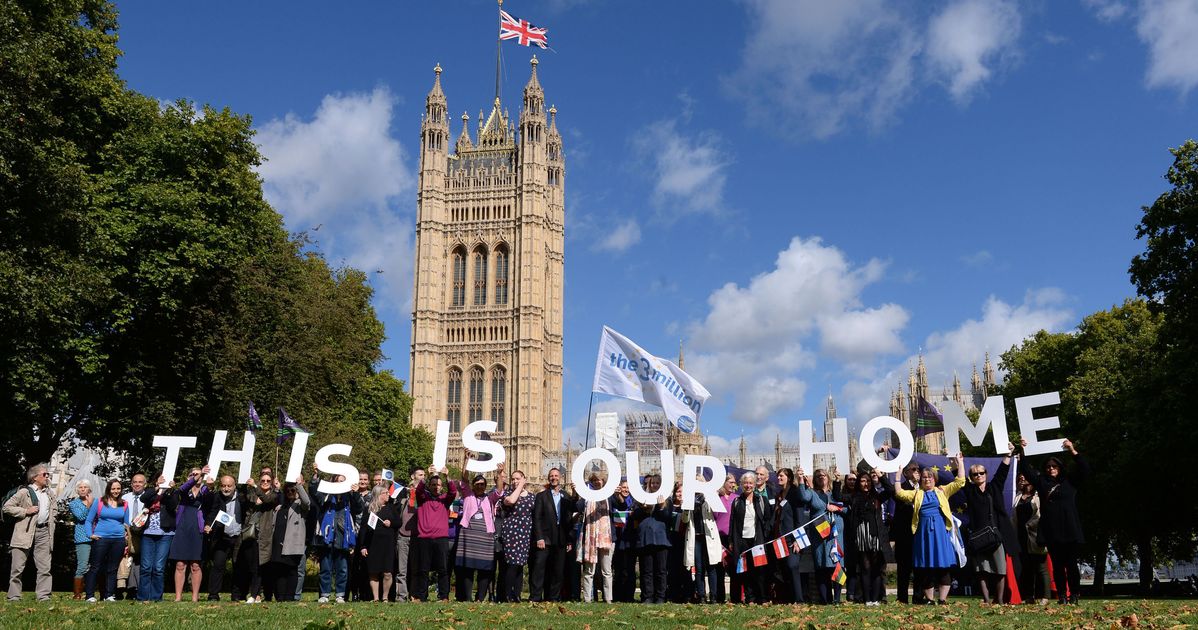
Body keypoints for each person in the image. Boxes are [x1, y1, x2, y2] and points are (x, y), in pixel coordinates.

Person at [887, 453, 967, 605]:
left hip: (941, 534)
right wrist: (897, 475)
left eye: (930, 476)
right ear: (921, 479)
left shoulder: (942, 491)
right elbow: (899, 493)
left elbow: (960, 481)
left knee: (943, 566)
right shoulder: (917, 494)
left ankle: (942, 599)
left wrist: (960, 463)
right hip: (923, 535)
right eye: (924, 477)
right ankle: (930, 599)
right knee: (926, 568)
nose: (927, 479)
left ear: (934, 479)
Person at [1020, 437, 1088, 605]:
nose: (1051, 469)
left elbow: (1085, 469)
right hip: (1052, 530)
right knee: (1057, 566)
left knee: (1072, 565)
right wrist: (1022, 450)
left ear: (1060, 467)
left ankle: (1074, 595)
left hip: (1070, 528)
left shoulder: (1070, 481)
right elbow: (1026, 470)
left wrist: (1072, 450)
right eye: (1048, 467)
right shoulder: (1042, 482)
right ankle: (1062, 596)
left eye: (1054, 466)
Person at [961, 443, 1019, 605]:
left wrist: (1009, 454)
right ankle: (986, 599)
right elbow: (957, 477)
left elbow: (1002, 472)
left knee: (1000, 569)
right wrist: (957, 461)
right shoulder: (970, 491)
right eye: (975, 474)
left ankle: (999, 599)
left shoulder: (994, 487)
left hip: (995, 535)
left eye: (981, 473)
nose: (978, 475)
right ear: (971, 478)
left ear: (986, 474)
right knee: (981, 570)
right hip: (978, 536)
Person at [454, 460, 506, 601]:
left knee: (485, 568)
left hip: (485, 535)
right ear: (473, 486)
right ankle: (467, 598)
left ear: (485, 486)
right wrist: (465, 460)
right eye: (477, 484)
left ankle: (480, 597)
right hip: (468, 535)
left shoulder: (490, 498)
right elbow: (464, 478)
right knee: (468, 568)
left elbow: (499, 490)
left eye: (482, 484)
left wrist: (500, 474)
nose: (480, 486)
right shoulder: (468, 495)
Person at [311, 469, 364, 604]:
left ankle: (340, 595)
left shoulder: (350, 496)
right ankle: (324, 594)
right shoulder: (326, 495)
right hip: (327, 535)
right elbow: (315, 494)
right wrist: (315, 477)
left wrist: (356, 492)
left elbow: (359, 508)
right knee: (326, 567)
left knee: (342, 568)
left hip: (343, 536)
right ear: (333, 482)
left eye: (343, 481)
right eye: (338, 481)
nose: (340, 483)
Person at [4, 464, 55, 602]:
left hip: (44, 532)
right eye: (44, 474)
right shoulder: (24, 492)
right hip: (24, 532)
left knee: (45, 567)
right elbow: (7, 507)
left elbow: (53, 510)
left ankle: (43, 596)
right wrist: (25, 511)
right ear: (34, 477)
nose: (47, 477)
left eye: (47, 474)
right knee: (18, 567)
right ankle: (14, 596)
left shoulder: (49, 493)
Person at [796, 468, 844, 604]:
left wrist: (836, 508)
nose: (821, 477)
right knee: (822, 566)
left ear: (828, 477)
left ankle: (837, 599)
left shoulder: (835, 493)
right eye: (817, 476)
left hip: (836, 536)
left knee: (837, 566)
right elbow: (803, 497)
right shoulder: (812, 493)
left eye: (823, 475)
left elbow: (846, 507)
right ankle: (825, 599)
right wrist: (800, 480)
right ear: (814, 480)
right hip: (820, 537)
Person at [259, 476, 310, 601]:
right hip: (278, 543)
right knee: (279, 571)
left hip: (293, 544)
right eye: (288, 491)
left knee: (292, 571)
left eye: (293, 491)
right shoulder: (280, 507)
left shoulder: (300, 506)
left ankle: (290, 597)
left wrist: (299, 485)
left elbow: (307, 501)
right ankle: (280, 597)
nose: (290, 493)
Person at [411, 466, 456, 601]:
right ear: (429, 486)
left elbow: (453, 492)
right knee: (423, 569)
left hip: (441, 538)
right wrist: (426, 477)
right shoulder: (423, 498)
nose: (436, 487)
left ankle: (443, 596)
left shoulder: (445, 500)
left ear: (442, 487)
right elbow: (418, 490)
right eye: (433, 485)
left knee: (442, 569)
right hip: (424, 538)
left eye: (438, 485)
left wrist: (447, 477)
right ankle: (422, 596)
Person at [847, 470, 891, 606]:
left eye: (868, 481)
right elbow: (837, 496)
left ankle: (876, 598)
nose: (865, 483)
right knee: (865, 567)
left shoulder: (877, 497)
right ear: (859, 483)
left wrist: (881, 476)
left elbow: (890, 490)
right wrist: (837, 480)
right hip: (861, 535)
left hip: (876, 535)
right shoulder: (854, 497)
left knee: (877, 567)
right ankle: (867, 599)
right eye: (862, 481)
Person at [168, 466, 210, 602]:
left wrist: (209, 484)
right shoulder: (184, 491)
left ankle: (194, 598)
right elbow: (182, 489)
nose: (195, 477)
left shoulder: (206, 491)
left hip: (197, 529)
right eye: (192, 475)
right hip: (182, 528)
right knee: (180, 564)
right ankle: (178, 597)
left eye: (198, 475)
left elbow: (212, 502)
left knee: (196, 565)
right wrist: (197, 476)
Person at [83, 478, 128, 602]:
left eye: (118, 488)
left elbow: (126, 523)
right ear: (109, 489)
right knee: (95, 567)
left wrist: (126, 535)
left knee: (113, 568)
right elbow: (88, 520)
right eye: (113, 488)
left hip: (118, 540)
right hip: (101, 539)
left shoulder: (124, 504)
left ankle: (109, 595)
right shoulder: (99, 502)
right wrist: (90, 534)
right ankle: (90, 595)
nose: (116, 491)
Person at [531, 467, 572, 602]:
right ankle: (536, 597)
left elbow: (569, 518)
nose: (554, 478)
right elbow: (537, 518)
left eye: (556, 475)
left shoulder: (566, 496)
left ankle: (553, 597)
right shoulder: (541, 496)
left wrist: (569, 540)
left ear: (560, 477)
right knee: (539, 568)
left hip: (561, 538)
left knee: (558, 570)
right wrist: (539, 537)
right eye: (551, 476)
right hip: (545, 538)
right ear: (548, 478)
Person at [134, 473, 177, 603]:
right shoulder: (151, 492)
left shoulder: (172, 492)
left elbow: (172, 505)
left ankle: (156, 597)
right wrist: (157, 487)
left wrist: (169, 491)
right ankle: (142, 597)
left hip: (165, 534)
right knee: (146, 567)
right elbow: (144, 499)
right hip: (148, 533)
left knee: (158, 567)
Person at [202, 475, 245, 601]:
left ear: (234, 486)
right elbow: (212, 511)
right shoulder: (217, 496)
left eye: (229, 486)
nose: (226, 489)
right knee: (218, 565)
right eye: (223, 486)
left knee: (239, 566)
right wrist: (208, 524)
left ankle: (237, 595)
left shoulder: (242, 498)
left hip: (238, 536)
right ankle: (213, 595)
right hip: (222, 536)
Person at [683, 472, 722, 604]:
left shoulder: (710, 497)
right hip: (696, 538)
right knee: (699, 569)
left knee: (711, 568)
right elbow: (684, 519)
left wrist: (709, 497)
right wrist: (686, 508)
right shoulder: (689, 498)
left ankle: (714, 596)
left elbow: (716, 514)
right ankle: (702, 596)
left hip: (708, 536)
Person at [729, 471, 767, 604]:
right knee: (746, 571)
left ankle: (762, 598)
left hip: (757, 540)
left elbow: (767, 520)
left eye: (750, 483)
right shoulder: (737, 501)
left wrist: (765, 537)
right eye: (745, 483)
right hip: (742, 540)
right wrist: (731, 541)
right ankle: (750, 598)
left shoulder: (761, 500)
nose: (748, 485)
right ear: (741, 485)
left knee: (760, 570)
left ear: (754, 485)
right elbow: (732, 522)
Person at [238, 471, 276, 603]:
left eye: (268, 481)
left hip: (264, 536)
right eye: (262, 481)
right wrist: (248, 487)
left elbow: (267, 500)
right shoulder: (253, 493)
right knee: (250, 565)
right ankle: (253, 593)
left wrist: (255, 487)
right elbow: (245, 499)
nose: (265, 483)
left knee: (261, 566)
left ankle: (255, 595)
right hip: (251, 534)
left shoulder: (273, 494)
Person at [576, 472, 614, 603]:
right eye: (595, 480)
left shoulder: (610, 495)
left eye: (600, 480)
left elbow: (621, 506)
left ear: (604, 481)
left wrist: (619, 495)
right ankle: (587, 599)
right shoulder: (587, 496)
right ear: (591, 482)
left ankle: (608, 599)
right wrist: (579, 495)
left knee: (606, 571)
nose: (597, 482)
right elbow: (578, 507)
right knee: (589, 570)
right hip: (590, 536)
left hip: (606, 537)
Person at [1013, 472, 1049, 605]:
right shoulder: (1018, 496)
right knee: (1026, 567)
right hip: (1021, 536)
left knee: (1040, 566)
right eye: (1020, 477)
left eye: (1025, 476)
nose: (1022, 478)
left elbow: (1041, 514)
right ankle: (1029, 596)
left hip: (1036, 534)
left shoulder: (1039, 495)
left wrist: (1031, 525)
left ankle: (1045, 596)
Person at [358, 485, 400, 601]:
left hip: (388, 545)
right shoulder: (369, 509)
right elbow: (364, 529)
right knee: (374, 572)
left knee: (388, 573)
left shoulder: (391, 508)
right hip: (373, 545)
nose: (388, 495)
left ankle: (385, 597)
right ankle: (376, 598)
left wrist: (390, 523)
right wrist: (363, 546)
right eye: (385, 493)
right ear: (378, 495)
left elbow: (399, 522)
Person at [772, 468, 807, 604]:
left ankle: (799, 599)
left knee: (793, 566)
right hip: (780, 537)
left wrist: (798, 540)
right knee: (785, 568)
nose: (779, 478)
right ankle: (790, 598)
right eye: (778, 476)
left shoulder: (795, 493)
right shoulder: (779, 495)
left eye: (781, 476)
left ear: (789, 478)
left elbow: (799, 518)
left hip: (793, 538)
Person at [498, 469, 534, 602]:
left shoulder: (531, 497)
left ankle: (517, 595)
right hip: (511, 532)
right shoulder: (507, 494)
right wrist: (520, 484)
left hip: (525, 533)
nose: (514, 481)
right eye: (513, 479)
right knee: (512, 564)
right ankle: (507, 594)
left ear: (523, 478)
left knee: (520, 564)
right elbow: (512, 501)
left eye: (517, 478)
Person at [634, 474, 669, 604]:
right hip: (645, 539)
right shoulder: (641, 499)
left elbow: (667, 516)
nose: (654, 485)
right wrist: (643, 508)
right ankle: (647, 597)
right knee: (646, 571)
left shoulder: (666, 500)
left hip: (661, 540)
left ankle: (660, 597)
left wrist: (660, 506)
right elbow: (634, 516)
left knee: (661, 571)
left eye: (657, 483)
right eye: (652, 483)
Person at [890, 459, 921, 604]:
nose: (917, 472)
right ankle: (902, 598)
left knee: (919, 567)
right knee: (904, 568)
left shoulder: (925, 488)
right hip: (904, 535)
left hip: (920, 534)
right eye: (914, 469)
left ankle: (918, 597)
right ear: (906, 473)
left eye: (918, 469)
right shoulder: (900, 487)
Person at [393, 467, 424, 602]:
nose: (423, 477)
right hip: (403, 534)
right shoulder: (403, 492)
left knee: (417, 569)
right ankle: (401, 596)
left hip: (419, 535)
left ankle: (415, 595)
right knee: (402, 569)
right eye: (420, 474)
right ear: (413, 476)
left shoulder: (425, 493)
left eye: (424, 475)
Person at [121, 473, 150, 600]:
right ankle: (127, 588)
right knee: (127, 560)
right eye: (135, 482)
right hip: (127, 531)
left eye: (140, 482)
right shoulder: (125, 497)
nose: (137, 484)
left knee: (139, 561)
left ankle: (138, 588)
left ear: (145, 484)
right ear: (131, 484)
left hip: (143, 531)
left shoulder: (148, 497)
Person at [608, 479, 638, 602]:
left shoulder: (635, 501)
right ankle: (617, 595)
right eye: (623, 487)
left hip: (630, 539)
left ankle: (628, 596)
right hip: (617, 539)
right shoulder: (613, 499)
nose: (625, 490)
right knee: (618, 569)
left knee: (630, 569)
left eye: (627, 487)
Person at [663, 481, 690, 602]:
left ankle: (685, 594)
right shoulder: (669, 505)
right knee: (672, 569)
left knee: (684, 569)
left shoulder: (688, 506)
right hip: (671, 541)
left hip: (684, 542)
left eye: (683, 492)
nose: (680, 494)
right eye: (678, 491)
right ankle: (672, 593)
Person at [68, 480, 95, 599]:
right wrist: (88, 506)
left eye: (85, 487)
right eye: (80, 487)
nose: (83, 489)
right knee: (83, 566)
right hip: (82, 537)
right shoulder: (74, 504)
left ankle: (92, 593)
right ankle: (77, 594)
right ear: (77, 490)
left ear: (89, 490)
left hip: (96, 536)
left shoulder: (96, 502)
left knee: (95, 566)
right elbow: (80, 517)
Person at [713, 473, 736, 603]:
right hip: (718, 538)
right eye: (730, 482)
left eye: (734, 482)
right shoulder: (717, 498)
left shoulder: (737, 498)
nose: (733, 484)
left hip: (732, 538)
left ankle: (735, 597)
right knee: (719, 570)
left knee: (733, 570)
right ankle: (720, 598)